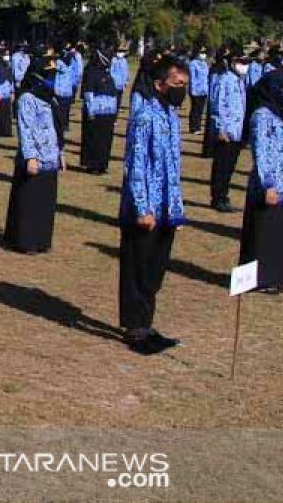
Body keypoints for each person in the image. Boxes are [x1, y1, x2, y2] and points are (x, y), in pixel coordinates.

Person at [118, 56, 188, 355]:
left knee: (155, 270)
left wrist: (177, 208)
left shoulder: (171, 116)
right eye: (177, 84)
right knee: (138, 267)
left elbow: (174, 167)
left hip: (167, 208)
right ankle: (135, 328)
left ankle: (148, 323)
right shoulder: (144, 116)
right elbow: (135, 166)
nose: (181, 90)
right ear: (160, 84)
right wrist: (143, 208)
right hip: (143, 210)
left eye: (185, 84)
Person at [239, 69, 283, 294]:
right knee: (262, 232)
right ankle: (258, 280)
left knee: (279, 233)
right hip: (268, 186)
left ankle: (275, 276)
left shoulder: (281, 112)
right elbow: (262, 153)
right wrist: (269, 185)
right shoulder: (262, 116)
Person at [5, 56, 62, 253]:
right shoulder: (27, 99)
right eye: (48, 76)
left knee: (45, 203)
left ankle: (42, 239)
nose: (52, 80)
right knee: (29, 201)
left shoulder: (50, 98)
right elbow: (25, 129)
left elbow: (56, 129)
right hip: (34, 159)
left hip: (50, 157)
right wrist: (30, 156)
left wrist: (59, 152)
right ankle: (26, 240)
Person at [210, 51, 248, 213]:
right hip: (226, 131)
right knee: (222, 166)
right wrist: (220, 128)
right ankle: (218, 197)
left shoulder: (239, 81)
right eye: (240, 61)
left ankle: (224, 195)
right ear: (231, 62)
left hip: (237, 131)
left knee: (230, 166)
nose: (243, 65)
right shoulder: (224, 80)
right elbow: (217, 105)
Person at [80, 47, 119, 174]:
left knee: (105, 140)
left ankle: (103, 164)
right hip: (95, 113)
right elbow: (88, 92)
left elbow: (113, 94)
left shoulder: (107, 73)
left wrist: (114, 113)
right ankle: (93, 165)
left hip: (108, 113)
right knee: (94, 139)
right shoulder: (91, 72)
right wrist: (90, 111)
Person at [188, 48, 210, 134]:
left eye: (204, 52)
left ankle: (198, 126)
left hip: (204, 90)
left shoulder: (205, 64)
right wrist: (193, 90)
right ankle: (193, 127)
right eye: (201, 52)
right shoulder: (193, 64)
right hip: (195, 90)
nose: (203, 54)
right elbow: (192, 78)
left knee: (201, 110)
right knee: (195, 109)